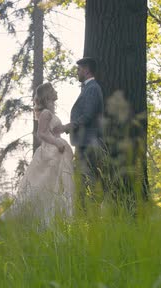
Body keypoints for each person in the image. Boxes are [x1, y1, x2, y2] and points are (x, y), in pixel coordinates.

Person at [0, 82, 74, 225]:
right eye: (53, 89)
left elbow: (56, 130)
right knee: (44, 186)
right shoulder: (45, 113)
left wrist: (68, 126)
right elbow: (41, 133)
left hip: (56, 151)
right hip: (50, 152)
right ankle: (37, 220)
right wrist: (57, 142)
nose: (55, 91)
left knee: (55, 186)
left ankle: (52, 220)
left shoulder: (50, 112)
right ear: (47, 95)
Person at [56, 57, 105, 200]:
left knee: (88, 176)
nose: (77, 72)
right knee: (82, 177)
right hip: (84, 142)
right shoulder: (89, 88)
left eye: (79, 69)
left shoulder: (93, 88)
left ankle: (92, 212)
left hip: (88, 142)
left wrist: (69, 126)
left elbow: (88, 115)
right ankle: (84, 211)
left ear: (87, 69)